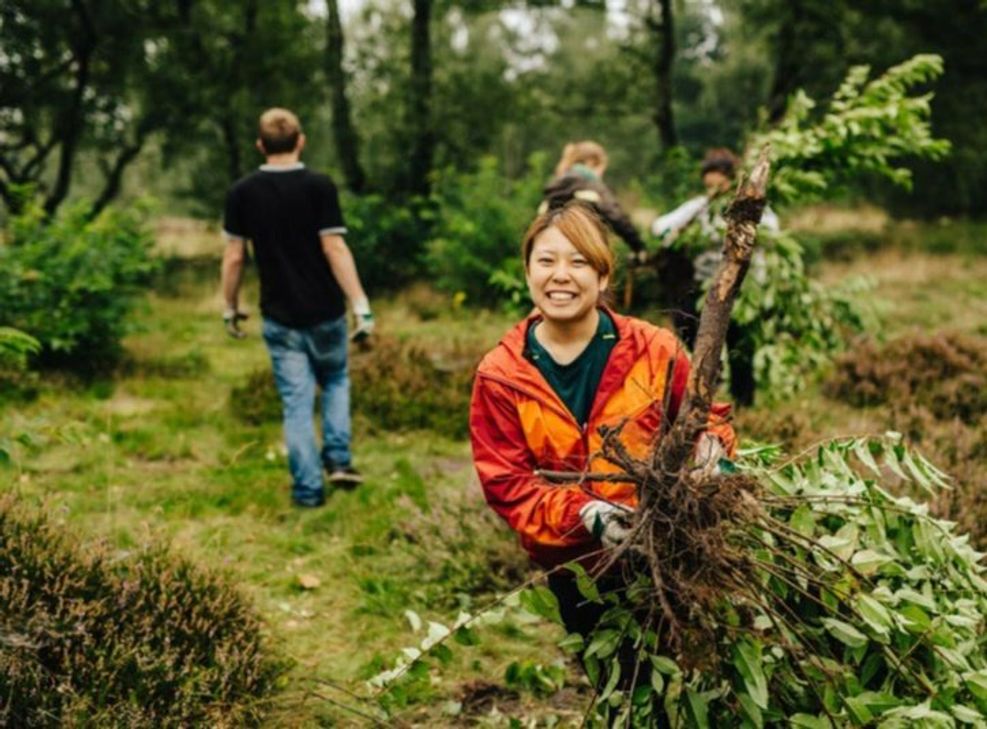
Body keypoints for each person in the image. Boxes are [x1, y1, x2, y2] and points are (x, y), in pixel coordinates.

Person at [469, 202, 736, 663]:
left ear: (604, 276)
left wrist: (710, 449)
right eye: (547, 261)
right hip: (576, 564)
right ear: (528, 271)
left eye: (579, 262)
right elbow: (508, 484)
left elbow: (703, 416)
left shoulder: (654, 349)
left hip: (666, 549)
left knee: (683, 671)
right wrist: (586, 514)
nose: (561, 276)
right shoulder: (502, 374)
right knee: (614, 677)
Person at [221, 107, 374, 508]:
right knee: (337, 380)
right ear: (301, 140)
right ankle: (339, 461)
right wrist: (361, 304)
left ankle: (308, 493)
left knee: (297, 403)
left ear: (260, 145)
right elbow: (335, 247)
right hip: (326, 311)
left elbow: (234, 257)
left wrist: (229, 307)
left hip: (279, 316)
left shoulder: (242, 192)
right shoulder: (320, 186)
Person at [651, 148, 779, 407]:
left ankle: (744, 403)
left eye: (719, 182)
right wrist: (698, 210)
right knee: (700, 340)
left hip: (746, 290)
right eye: (709, 183)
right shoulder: (699, 208)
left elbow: (774, 233)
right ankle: (708, 391)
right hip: (707, 288)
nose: (714, 188)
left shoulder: (754, 207)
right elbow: (661, 228)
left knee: (742, 347)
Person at [540, 141, 647, 258]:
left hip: (553, 251)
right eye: (602, 169)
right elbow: (616, 216)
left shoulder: (556, 185)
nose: (601, 175)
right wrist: (638, 246)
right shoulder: (590, 184)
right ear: (591, 162)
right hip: (584, 251)